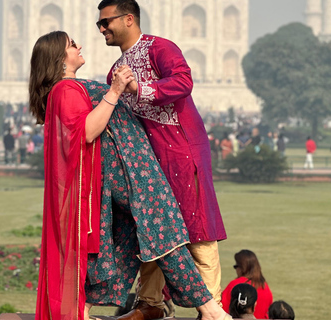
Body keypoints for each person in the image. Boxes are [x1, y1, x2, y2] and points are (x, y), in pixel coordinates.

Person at [30, 31, 230, 320]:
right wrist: (114, 90)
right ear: (59, 58)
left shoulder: (70, 87)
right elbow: (86, 131)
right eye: (72, 45)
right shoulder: (64, 90)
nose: (80, 46)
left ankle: (82, 310)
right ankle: (209, 308)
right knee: (164, 230)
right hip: (129, 172)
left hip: (131, 168)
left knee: (128, 239)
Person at [97, 1, 227, 317]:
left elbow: (183, 82)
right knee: (152, 228)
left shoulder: (160, 48)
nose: (102, 29)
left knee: (198, 229)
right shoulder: (115, 72)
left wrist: (140, 87)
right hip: (150, 159)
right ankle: (150, 302)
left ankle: (212, 306)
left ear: (129, 19)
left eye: (106, 22)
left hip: (183, 149)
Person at [221, 250, 272, 319]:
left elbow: (221, 308)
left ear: (242, 268)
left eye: (236, 266)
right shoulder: (265, 287)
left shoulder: (236, 285)